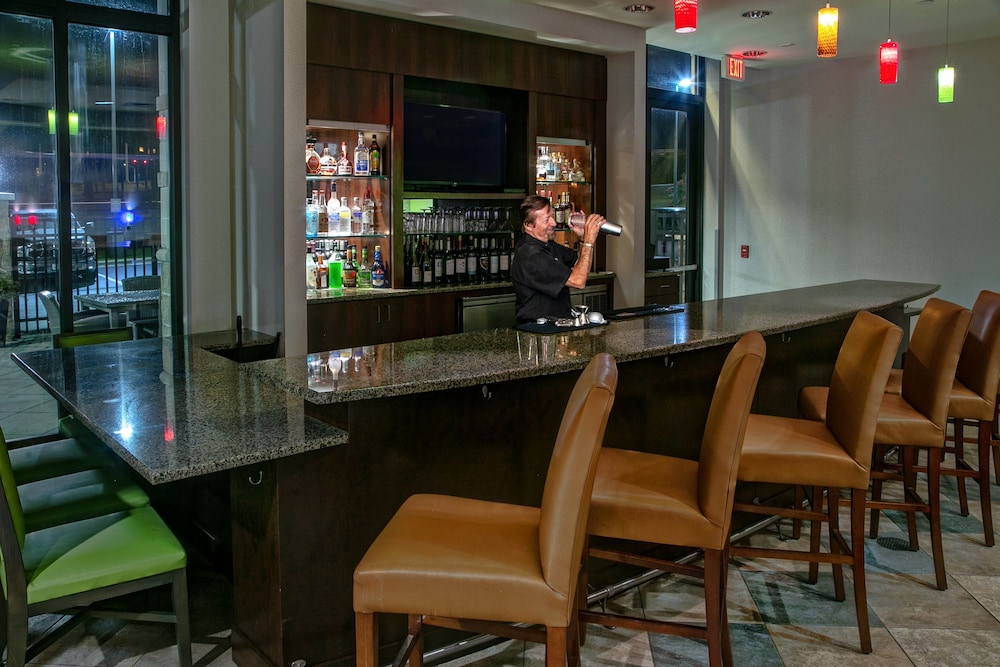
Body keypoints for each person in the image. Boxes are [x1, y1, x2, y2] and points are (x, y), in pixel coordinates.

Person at [510, 194, 604, 324]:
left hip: (558, 326)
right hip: (538, 330)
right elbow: (579, 281)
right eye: (546, 220)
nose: (553, 223)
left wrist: (583, 237)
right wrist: (589, 240)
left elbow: (581, 262)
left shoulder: (548, 245)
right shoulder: (531, 256)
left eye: (552, 216)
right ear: (528, 225)